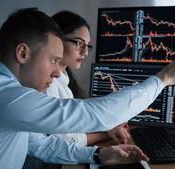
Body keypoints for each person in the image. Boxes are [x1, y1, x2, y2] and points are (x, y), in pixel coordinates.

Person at [0, 7, 175, 169]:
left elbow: (41, 146)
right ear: (23, 53)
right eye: (53, 60)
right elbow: (93, 115)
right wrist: (163, 79)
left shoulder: (0, 90)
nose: (57, 72)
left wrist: (97, 155)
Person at [47, 11, 130, 146]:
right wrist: (105, 133)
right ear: (57, 40)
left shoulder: (65, 79)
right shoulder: (48, 84)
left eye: (87, 45)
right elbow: (66, 140)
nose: (85, 52)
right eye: (79, 43)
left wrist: (108, 128)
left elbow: (73, 127)